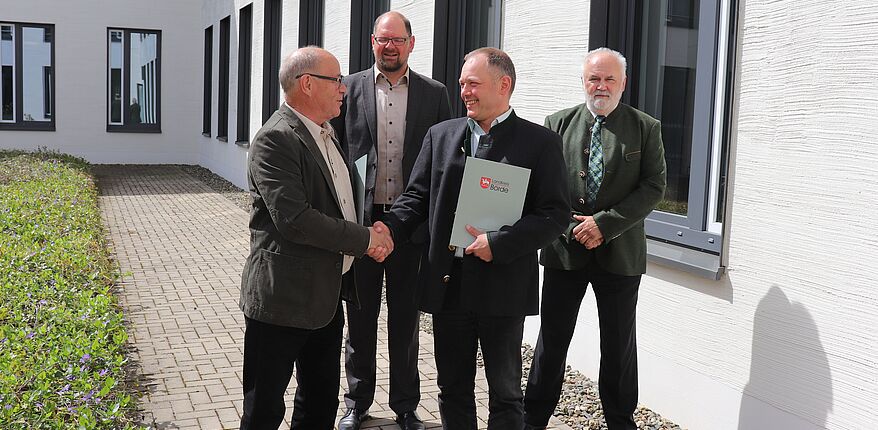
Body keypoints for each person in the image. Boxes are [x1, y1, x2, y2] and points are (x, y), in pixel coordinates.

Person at [382, 47, 569, 430]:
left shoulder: (540, 143)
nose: (465, 91)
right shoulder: (441, 135)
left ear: (505, 85)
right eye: (462, 83)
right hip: (449, 285)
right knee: (452, 388)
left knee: (504, 392)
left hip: (503, 289)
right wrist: (386, 231)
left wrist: (499, 243)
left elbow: (554, 215)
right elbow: (416, 198)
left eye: (473, 83)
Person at [238, 46, 393, 430]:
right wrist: (365, 240)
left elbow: (340, 201)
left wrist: (372, 228)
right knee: (264, 409)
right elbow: (297, 220)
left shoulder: (326, 133)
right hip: (282, 299)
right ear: (307, 84)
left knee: (319, 404)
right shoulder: (276, 139)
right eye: (336, 80)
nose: (344, 88)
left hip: (326, 296)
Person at [522, 47, 667, 430]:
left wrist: (604, 224)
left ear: (623, 83)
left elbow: (654, 186)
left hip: (620, 255)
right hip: (563, 251)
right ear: (583, 81)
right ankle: (533, 418)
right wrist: (572, 226)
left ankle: (620, 420)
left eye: (608, 79)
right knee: (552, 339)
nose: (600, 86)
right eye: (593, 78)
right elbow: (542, 186)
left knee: (619, 345)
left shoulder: (645, 127)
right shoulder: (556, 124)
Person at [331, 11, 452, 430]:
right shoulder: (348, 88)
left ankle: (404, 405)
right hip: (360, 225)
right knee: (359, 318)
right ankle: (356, 402)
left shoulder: (435, 94)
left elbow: (444, 163)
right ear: (372, 42)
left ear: (411, 43)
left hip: (411, 227)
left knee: (405, 322)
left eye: (397, 40)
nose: (390, 46)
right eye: (383, 40)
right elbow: (337, 149)